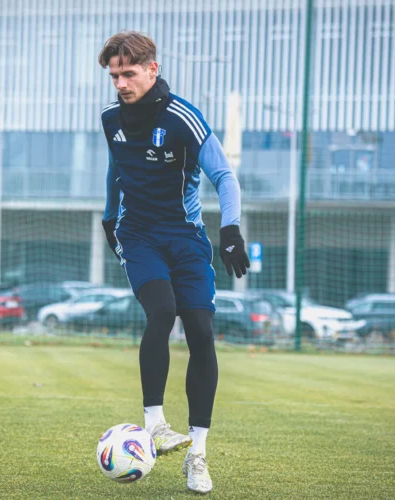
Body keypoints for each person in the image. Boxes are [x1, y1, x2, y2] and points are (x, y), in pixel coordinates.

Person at [98, 31, 250, 494]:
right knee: (162, 311)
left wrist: (230, 230)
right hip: (138, 235)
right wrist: (109, 218)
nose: (120, 83)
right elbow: (116, 168)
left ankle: (197, 456)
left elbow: (224, 175)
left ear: (152, 69)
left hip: (186, 239)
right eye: (114, 76)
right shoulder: (110, 119)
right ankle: (155, 425)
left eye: (128, 73)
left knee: (201, 332)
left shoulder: (183, 117)